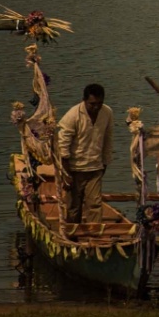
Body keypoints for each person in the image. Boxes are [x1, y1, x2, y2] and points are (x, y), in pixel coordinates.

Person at [56, 82, 113, 225]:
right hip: (75, 169)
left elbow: (107, 139)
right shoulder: (73, 115)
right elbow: (63, 145)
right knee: (73, 207)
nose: (95, 107)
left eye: (99, 104)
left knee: (94, 205)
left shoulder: (107, 112)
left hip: (95, 167)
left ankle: (94, 238)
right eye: (92, 104)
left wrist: (105, 163)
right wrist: (65, 172)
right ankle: (73, 237)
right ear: (84, 100)